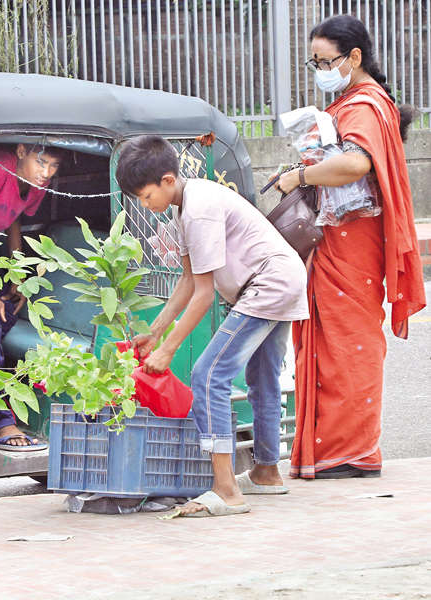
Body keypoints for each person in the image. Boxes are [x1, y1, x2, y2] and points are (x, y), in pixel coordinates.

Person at [117, 135, 308, 516]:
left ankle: (226, 489)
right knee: (261, 378)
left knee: (207, 375)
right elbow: (189, 280)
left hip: (267, 285)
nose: (145, 204)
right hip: (280, 280)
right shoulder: (184, 205)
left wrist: (168, 349)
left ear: (167, 180)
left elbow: (204, 295)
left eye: (146, 195)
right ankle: (266, 472)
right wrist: (155, 332)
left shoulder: (198, 209)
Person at [274, 15, 426, 479]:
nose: (320, 70)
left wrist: (300, 176)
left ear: (354, 57)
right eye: (314, 62)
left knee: (348, 343)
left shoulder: (364, 105)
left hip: (353, 243)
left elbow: (356, 164)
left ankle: (353, 451)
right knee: (329, 340)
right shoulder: (354, 102)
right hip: (338, 238)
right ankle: (333, 450)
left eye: (326, 61)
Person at [0, 143, 65, 450]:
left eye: (54, 166)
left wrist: (17, 275)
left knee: (5, 313)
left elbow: (14, 218)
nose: (46, 173)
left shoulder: (35, 183)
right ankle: (1, 422)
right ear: (20, 152)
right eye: (40, 162)